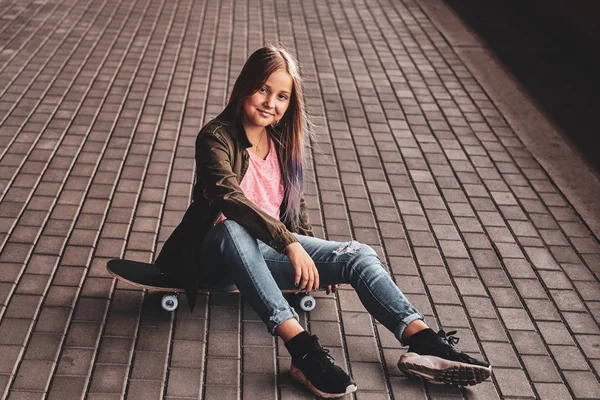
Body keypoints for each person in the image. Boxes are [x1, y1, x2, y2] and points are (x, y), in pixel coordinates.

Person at [155, 45, 492, 398]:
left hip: (265, 254)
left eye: (282, 95)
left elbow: (294, 205)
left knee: (357, 254)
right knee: (231, 228)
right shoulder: (215, 137)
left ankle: (422, 340)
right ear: (244, 87)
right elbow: (230, 199)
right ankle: (304, 352)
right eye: (263, 89)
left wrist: (313, 257)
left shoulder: (282, 141)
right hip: (214, 258)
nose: (271, 102)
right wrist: (291, 245)